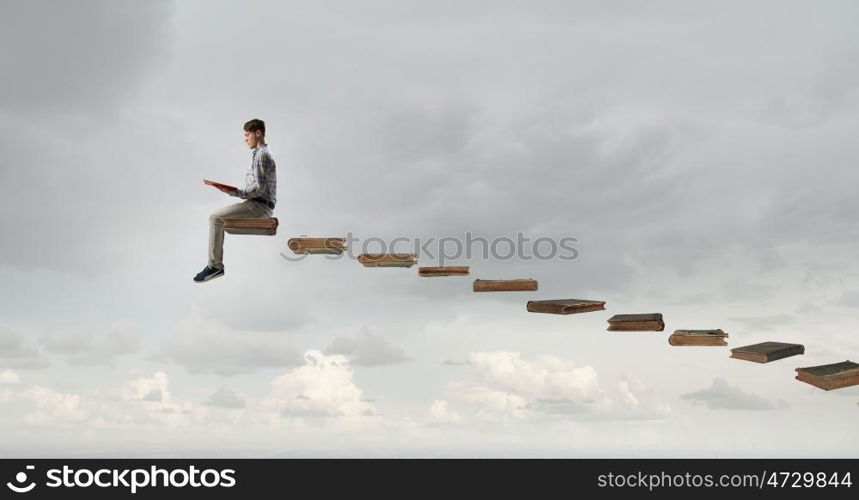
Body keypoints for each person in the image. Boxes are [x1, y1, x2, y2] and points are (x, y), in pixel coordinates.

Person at [194, 119, 277, 282]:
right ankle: (215, 265)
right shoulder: (259, 154)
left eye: (247, 135)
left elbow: (259, 190)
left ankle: (215, 266)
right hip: (257, 204)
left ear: (258, 133)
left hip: (259, 206)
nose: (245, 139)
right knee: (220, 221)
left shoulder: (262, 155)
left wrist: (234, 192)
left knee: (215, 218)